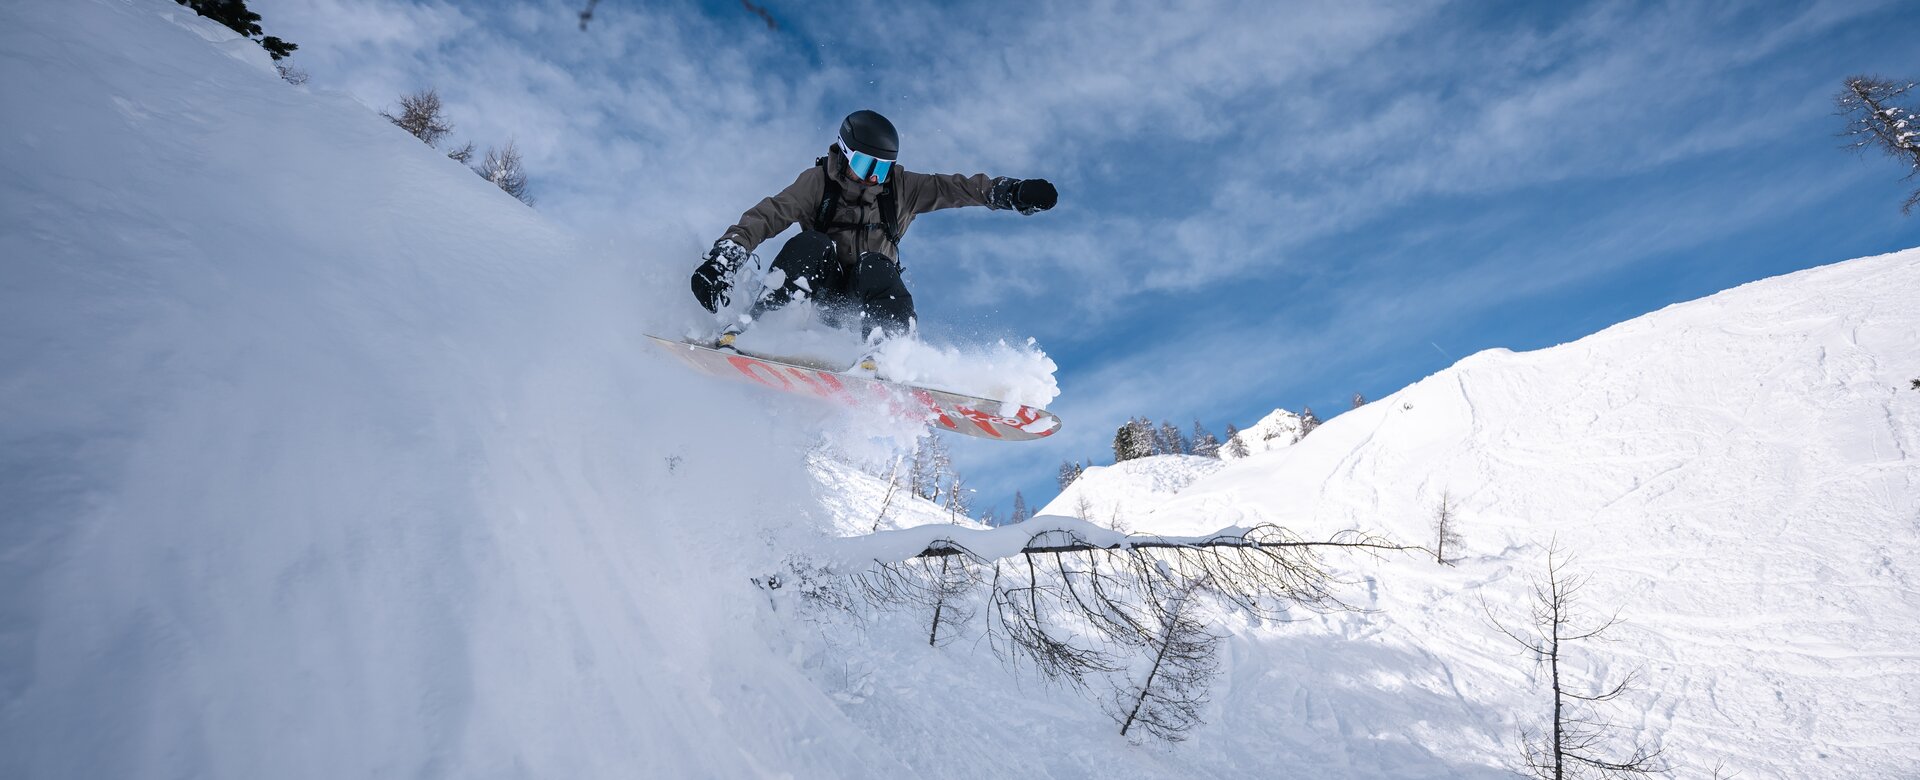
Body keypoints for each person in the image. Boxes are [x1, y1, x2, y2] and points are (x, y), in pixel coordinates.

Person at [690, 109, 1057, 372]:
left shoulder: (901, 189)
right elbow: (769, 214)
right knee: (812, 243)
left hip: (866, 305)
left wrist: (1010, 192)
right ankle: (765, 327)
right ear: (844, 154)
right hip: (819, 294)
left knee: (875, 262)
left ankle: (888, 349)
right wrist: (727, 255)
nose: (874, 178)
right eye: (867, 166)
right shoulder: (817, 182)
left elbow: (957, 188)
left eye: (882, 168)